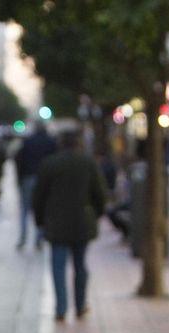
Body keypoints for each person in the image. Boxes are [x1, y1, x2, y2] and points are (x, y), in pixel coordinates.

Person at [32, 130, 108, 322]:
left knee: (58, 267)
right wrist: (97, 213)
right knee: (80, 265)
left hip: (56, 223)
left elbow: (39, 196)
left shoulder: (50, 164)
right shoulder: (88, 163)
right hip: (82, 222)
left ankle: (61, 308)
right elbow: (100, 193)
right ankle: (80, 305)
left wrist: (40, 220)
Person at [13, 124, 58, 250]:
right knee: (42, 209)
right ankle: (39, 238)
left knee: (25, 210)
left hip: (27, 178)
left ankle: (23, 237)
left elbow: (19, 160)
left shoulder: (28, 142)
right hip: (44, 180)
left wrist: (19, 179)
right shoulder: (50, 142)